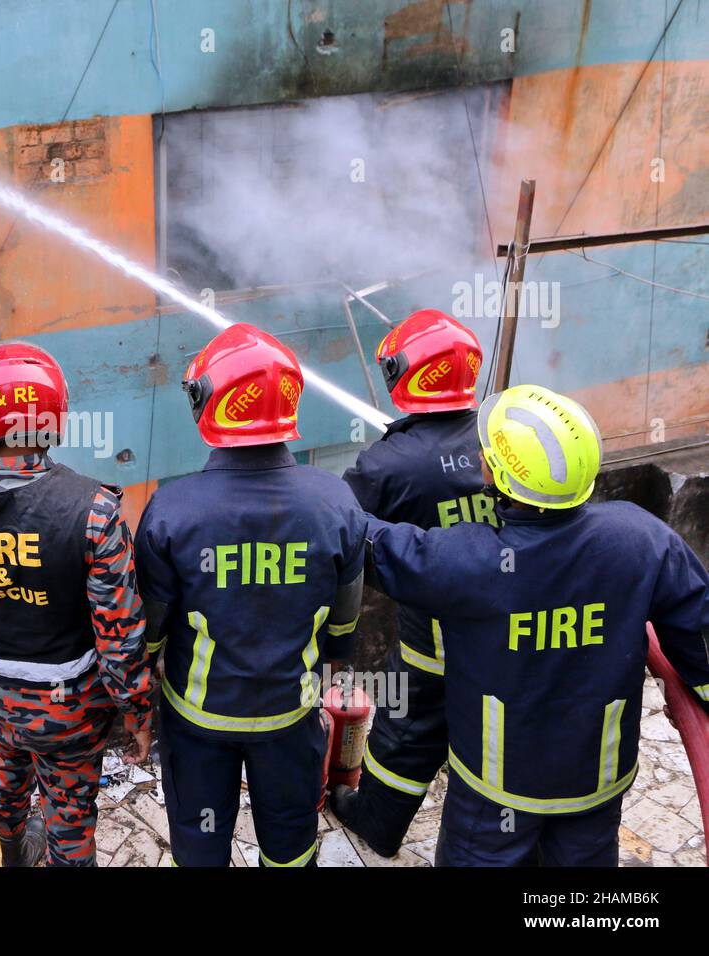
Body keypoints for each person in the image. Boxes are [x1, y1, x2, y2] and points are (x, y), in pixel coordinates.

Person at [367, 384, 709, 865]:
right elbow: (699, 634)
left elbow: (377, 547)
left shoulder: (469, 560)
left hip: (496, 794)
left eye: (486, 452)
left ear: (496, 474)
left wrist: (312, 500)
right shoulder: (641, 538)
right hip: (595, 780)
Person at [0, 342, 154, 867]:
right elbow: (119, 635)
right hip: (71, 707)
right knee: (70, 810)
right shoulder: (95, 511)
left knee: (5, 773)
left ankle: (14, 853)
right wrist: (137, 711)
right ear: (52, 415)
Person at [133, 323, 366, 866]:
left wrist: (141, 686)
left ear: (208, 404)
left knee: (199, 843)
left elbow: (150, 627)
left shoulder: (172, 510)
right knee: (290, 845)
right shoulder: (335, 502)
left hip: (198, 721)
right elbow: (344, 620)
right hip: (290, 718)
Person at [331, 310, 496, 856]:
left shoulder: (388, 464)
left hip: (435, 643)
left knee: (405, 734)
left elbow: (339, 530)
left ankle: (377, 824)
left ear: (409, 374)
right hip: (511, 634)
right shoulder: (503, 437)